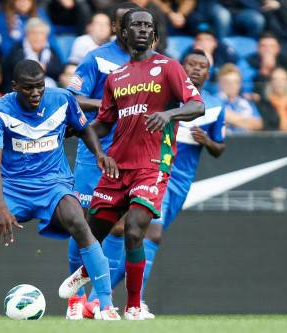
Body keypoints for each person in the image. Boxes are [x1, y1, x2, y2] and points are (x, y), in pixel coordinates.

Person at [0, 60, 122, 321]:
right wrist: (0, 206)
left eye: (40, 87)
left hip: (54, 185)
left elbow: (84, 128)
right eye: (28, 88)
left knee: (79, 221)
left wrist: (99, 154)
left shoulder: (63, 99)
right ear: (14, 87)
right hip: (12, 187)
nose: (35, 94)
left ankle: (106, 305)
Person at [59, 7, 205, 320]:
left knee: (135, 231)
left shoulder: (169, 67)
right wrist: (83, 135)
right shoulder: (116, 77)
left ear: (154, 34)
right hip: (117, 167)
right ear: (123, 33)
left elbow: (196, 105)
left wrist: (169, 114)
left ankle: (134, 306)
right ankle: (84, 273)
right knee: (91, 232)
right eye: (134, 25)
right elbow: (103, 123)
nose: (141, 30)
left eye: (147, 26)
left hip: (152, 164)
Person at [105, 49, 226, 314]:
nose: (195, 69)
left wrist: (207, 142)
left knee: (139, 237)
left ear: (208, 72)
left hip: (181, 183)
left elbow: (221, 148)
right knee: (151, 233)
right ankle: (132, 303)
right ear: (180, 67)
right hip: (155, 171)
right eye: (190, 64)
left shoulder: (215, 105)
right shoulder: (164, 94)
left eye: (201, 66)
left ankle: (100, 297)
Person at [64, 1, 138, 320]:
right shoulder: (98, 58)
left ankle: (98, 300)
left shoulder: (149, 63)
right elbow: (73, 99)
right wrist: (109, 103)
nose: (127, 29)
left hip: (130, 157)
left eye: (133, 24)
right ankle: (75, 300)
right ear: (114, 27)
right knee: (81, 223)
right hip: (95, 153)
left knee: (119, 227)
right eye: (122, 24)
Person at [2, 18, 64, 92]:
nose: (37, 37)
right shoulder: (17, 49)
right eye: (33, 33)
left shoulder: (51, 50)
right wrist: (37, 69)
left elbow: (59, 69)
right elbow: (14, 69)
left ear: (46, 36)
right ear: (27, 35)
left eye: (41, 33)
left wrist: (46, 68)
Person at [241, 32, 287, 98]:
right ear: (257, 49)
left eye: (272, 46)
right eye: (263, 46)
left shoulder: (285, 62)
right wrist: (263, 71)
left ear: (278, 49)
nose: (268, 50)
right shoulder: (247, 63)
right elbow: (248, 92)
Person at [218, 63, 263, 133]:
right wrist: (245, 122)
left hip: (244, 142)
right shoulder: (213, 101)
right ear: (220, 83)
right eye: (227, 82)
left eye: (235, 82)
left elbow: (258, 124)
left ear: (240, 84)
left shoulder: (246, 102)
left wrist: (230, 118)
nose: (232, 86)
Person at [194, 0, 266, 39]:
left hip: (240, 10)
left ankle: (252, 48)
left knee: (257, 19)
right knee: (223, 16)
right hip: (217, 6)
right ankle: (223, 47)